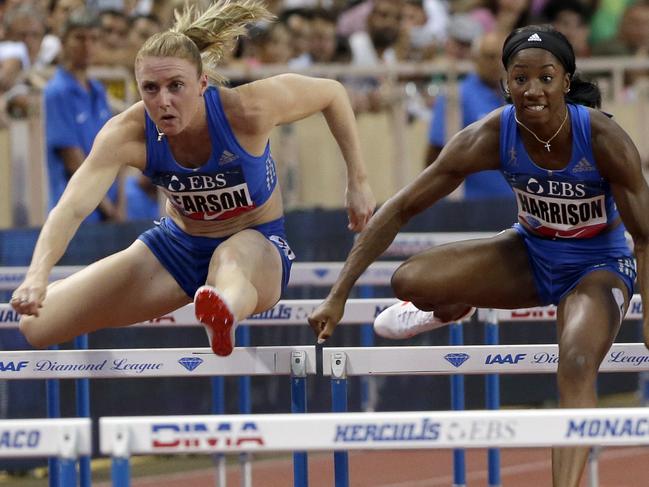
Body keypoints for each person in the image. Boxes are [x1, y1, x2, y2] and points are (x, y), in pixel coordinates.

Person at [309, 25, 648, 487]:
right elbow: (403, 205)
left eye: (546, 78)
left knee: (575, 362)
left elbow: (644, 236)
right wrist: (338, 293)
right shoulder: (490, 135)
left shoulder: (603, 138)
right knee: (409, 282)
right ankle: (454, 304)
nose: (533, 91)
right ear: (504, 82)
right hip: (529, 252)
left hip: (597, 265)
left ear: (566, 82)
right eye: (520, 78)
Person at [10, 1, 375, 357]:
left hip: (256, 245)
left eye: (175, 86)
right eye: (150, 88)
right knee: (37, 325)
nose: (163, 101)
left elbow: (332, 93)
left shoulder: (247, 109)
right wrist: (36, 276)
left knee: (229, 260)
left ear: (202, 83)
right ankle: (211, 304)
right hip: (177, 248)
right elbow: (73, 206)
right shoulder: (127, 133)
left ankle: (222, 312)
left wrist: (357, 181)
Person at [43, 8, 123, 223]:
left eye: (94, 39)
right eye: (79, 38)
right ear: (63, 41)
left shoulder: (98, 91)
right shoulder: (57, 92)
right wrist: (111, 211)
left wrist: (121, 204)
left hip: (109, 210)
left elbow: (116, 149)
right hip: (77, 215)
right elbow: (73, 161)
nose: (87, 45)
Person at [425, 30, 511, 200]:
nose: (497, 63)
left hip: (513, 204)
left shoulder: (514, 96)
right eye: (490, 56)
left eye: (502, 57)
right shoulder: (456, 95)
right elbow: (436, 151)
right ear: (475, 58)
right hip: (470, 204)